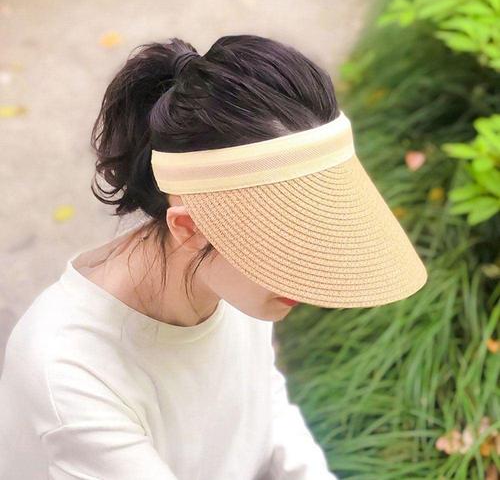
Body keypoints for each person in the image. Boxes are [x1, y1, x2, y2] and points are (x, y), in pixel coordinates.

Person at [0, 35, 427, 479]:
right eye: (290, 241)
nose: (308, 269)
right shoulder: (70, 370)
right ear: (189, 228)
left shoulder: (230, 280)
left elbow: (263, 403)